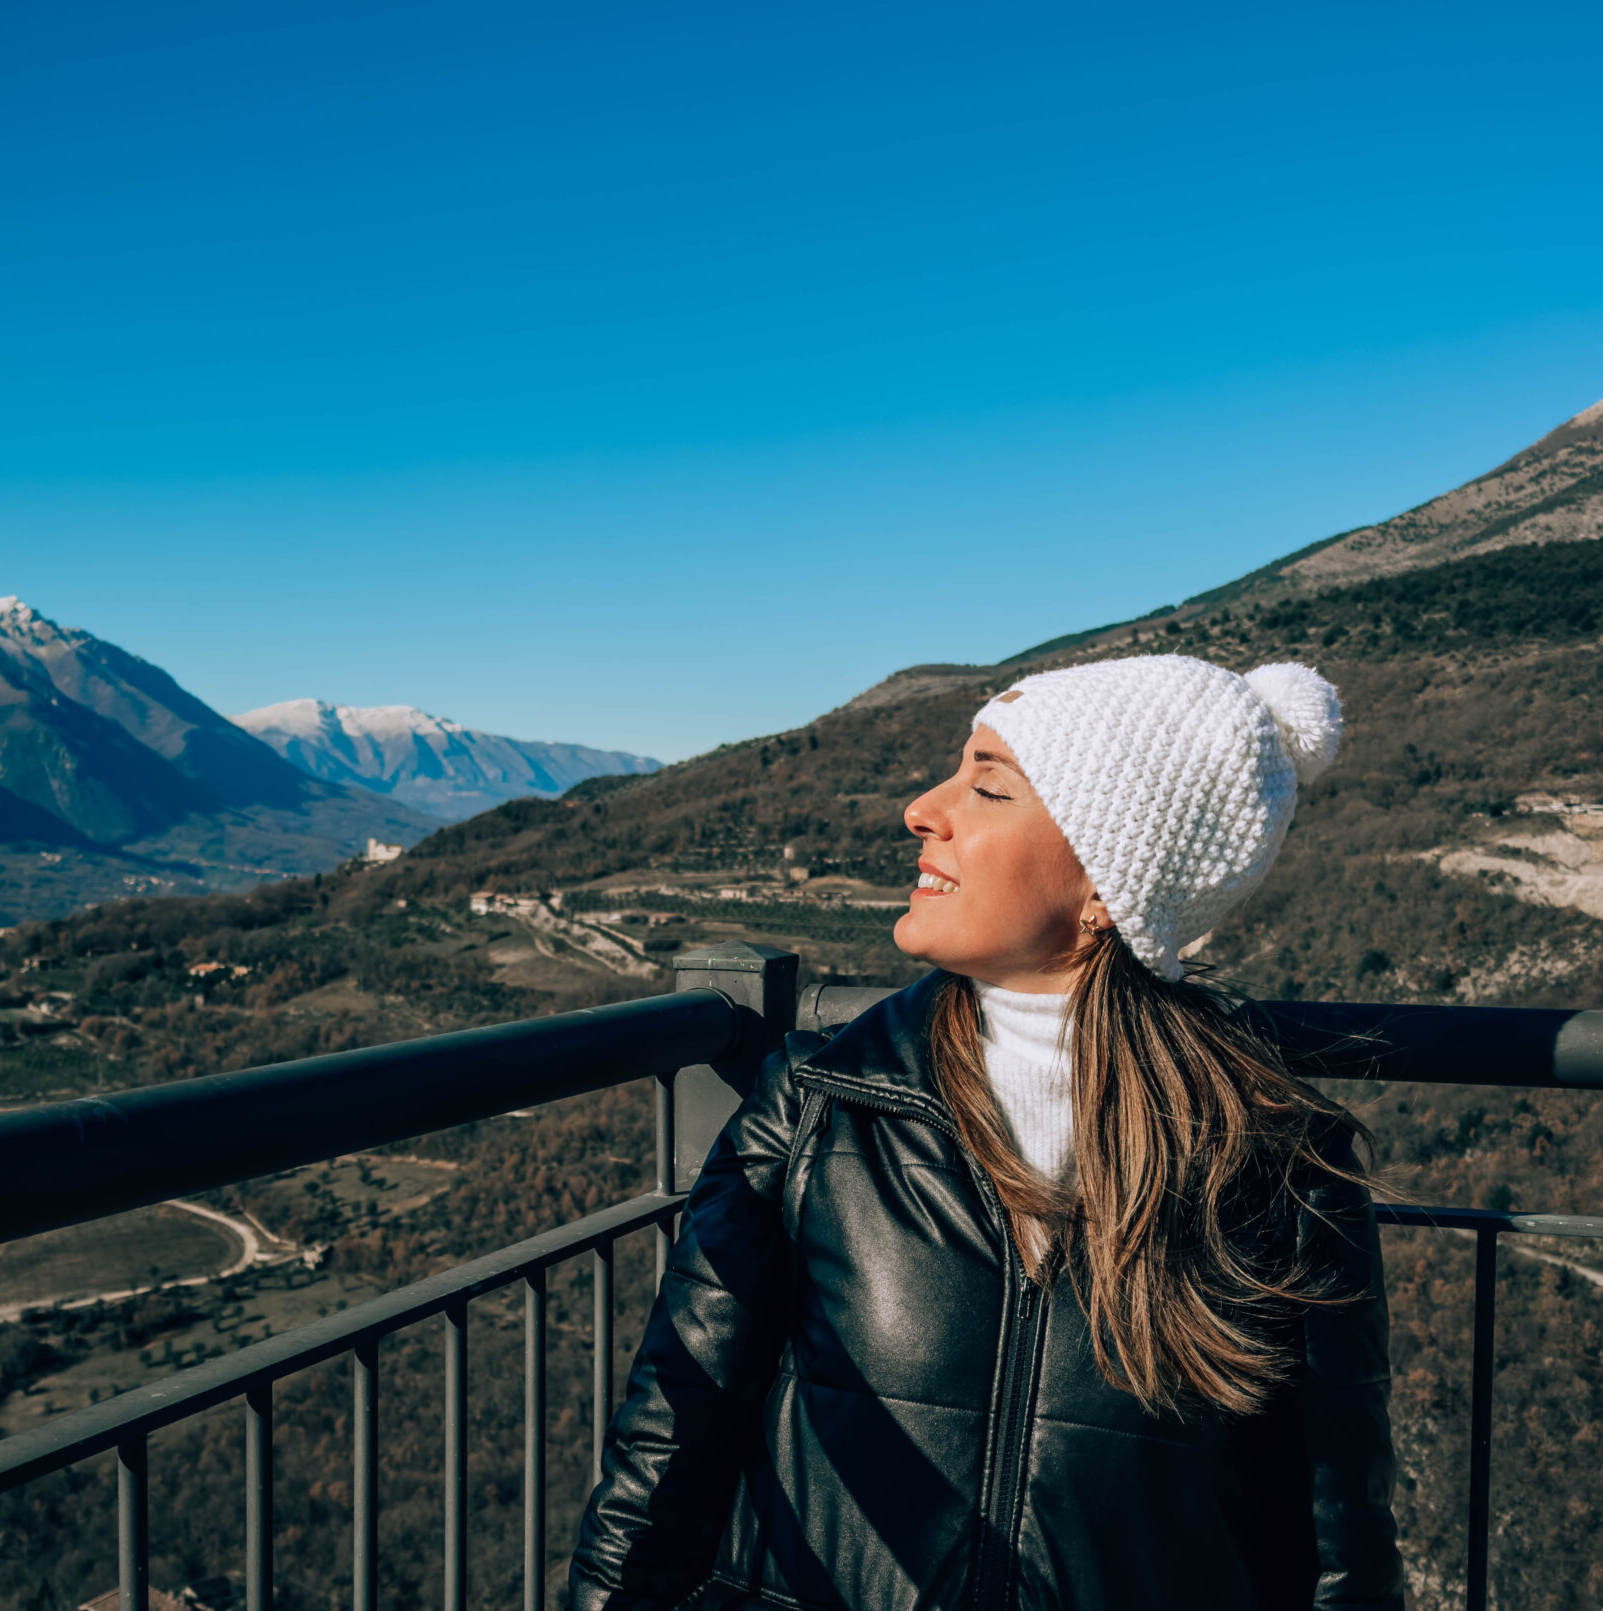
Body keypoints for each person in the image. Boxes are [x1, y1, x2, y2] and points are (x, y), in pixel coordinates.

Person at [566, 654, 1404, 1611]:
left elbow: (1343, 1549)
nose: (923, 807)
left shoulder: (1276, 1171)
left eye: (987, 784)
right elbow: (666, 1450)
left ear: (1105, 886)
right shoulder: (817, 1107)